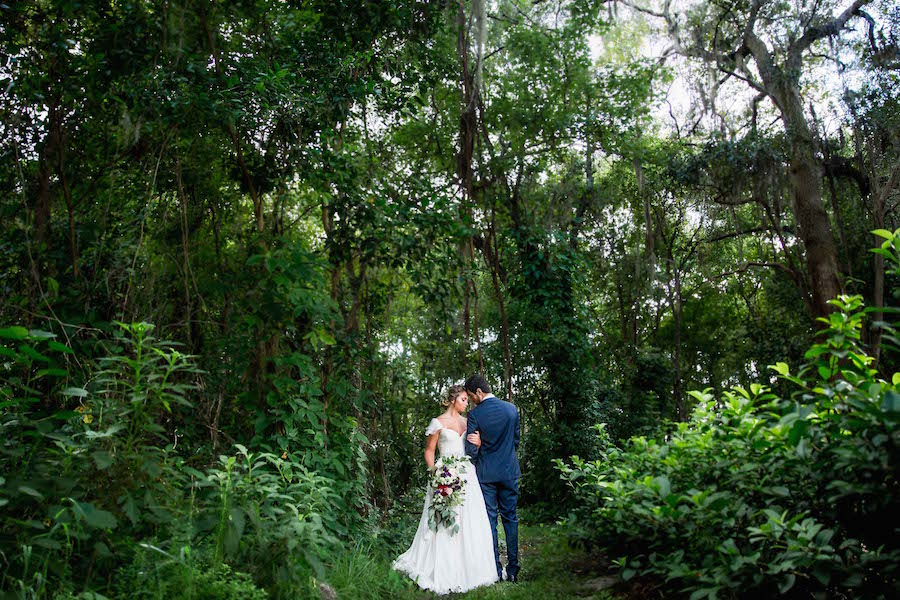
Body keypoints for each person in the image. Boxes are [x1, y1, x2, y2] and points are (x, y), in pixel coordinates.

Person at [392, 385, 499, 594]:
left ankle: (471, 568)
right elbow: (429, 451)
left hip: (467, 474)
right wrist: (435, 474)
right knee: (444, 522)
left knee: (470, 520)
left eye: (467, 400)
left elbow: (473, 447)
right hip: (445, 474)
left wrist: (478, 444)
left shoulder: (469, 422)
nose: (466, 403)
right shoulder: (437, 423)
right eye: (463, 399)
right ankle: (442, 566)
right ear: (452, 400)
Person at [464, 373, 521, 582]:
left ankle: (496, 570)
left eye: (471, 396)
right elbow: (516, 441)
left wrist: (479, 447)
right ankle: (513, 570)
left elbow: (471, 451)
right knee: (510, 518)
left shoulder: (475, 415)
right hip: (508, 472)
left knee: (490, 521)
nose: (471, 400)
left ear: (479, 392)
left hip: (486, 475)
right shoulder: (511, 409)